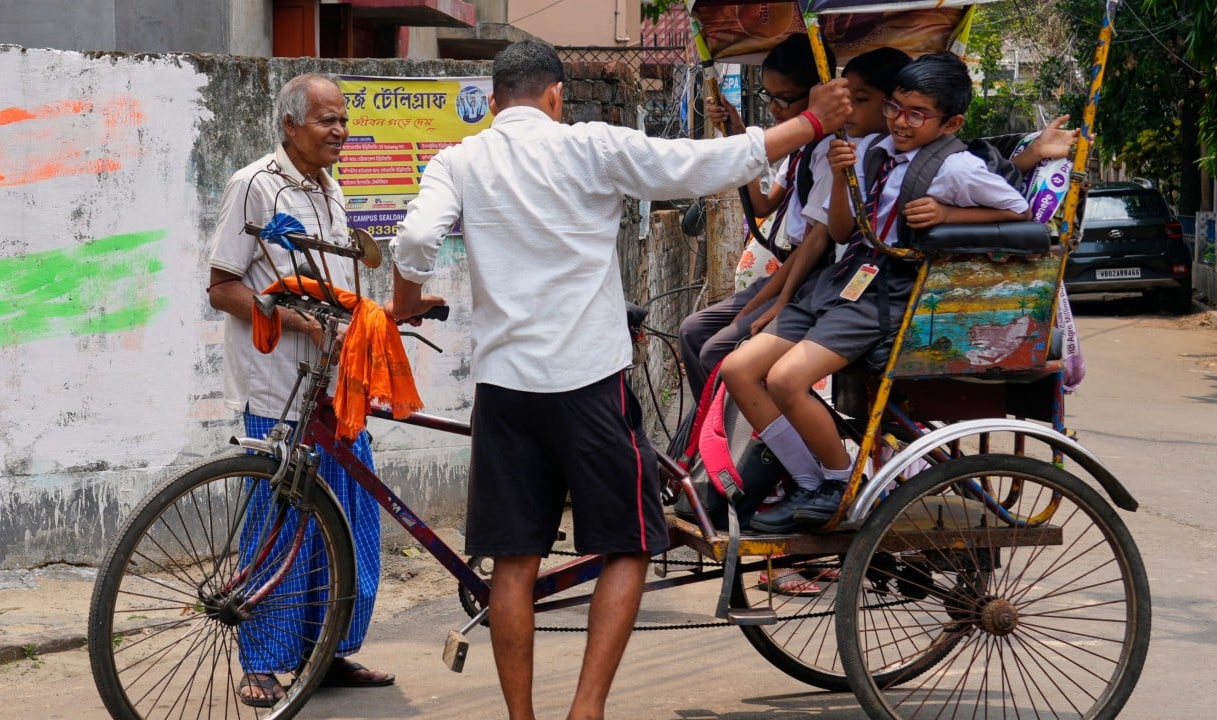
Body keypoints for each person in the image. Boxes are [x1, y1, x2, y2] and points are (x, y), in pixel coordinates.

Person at [389, 39, 849, 720]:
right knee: (629, 546)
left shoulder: (458, 160)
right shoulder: (590, 145)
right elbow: (702, 164)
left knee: (513, 565)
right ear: (556, 96)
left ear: (492, 102)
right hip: (588, 384)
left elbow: (415, 240)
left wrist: (404, 302)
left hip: (505, 388)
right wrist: (811, 122)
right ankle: (587, 711)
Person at [721, 52, 1032, 534]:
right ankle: (811, 483)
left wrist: (949, 215)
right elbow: (842, 231)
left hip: (884, 292)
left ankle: (838, 481)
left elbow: (1018, 211)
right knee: (738, 369)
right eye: (895, 108)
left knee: (785, 380)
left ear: (951, 123)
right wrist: (841, 178)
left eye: (917, 114)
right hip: (843, 279)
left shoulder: (956, 167)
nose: (901, 122)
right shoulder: (875, 152)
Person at [207, 73, 415, 706]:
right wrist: (299, 322)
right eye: (328, 120)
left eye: (344, 120)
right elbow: (222, 286)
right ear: (290, 125)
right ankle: (263, 664)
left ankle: (328, 653)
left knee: (347, 522)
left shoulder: (331, 189)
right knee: (279, 525)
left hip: (335, 385)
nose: (340, 131)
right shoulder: (254, 185)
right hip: (278, 387)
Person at [678, 34, 837, 405]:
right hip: (787, 271)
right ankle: (708, 428)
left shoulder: (832, 151)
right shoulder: (801, 146)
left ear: (818, 93)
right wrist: (737, 136)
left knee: (717, 350)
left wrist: (775, 301)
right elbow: (764, 204)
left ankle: (747, 433)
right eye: (769, 97)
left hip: (808, 277)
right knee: (691, 331)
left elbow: (813, 244)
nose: (775, 109)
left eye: (784, 98)